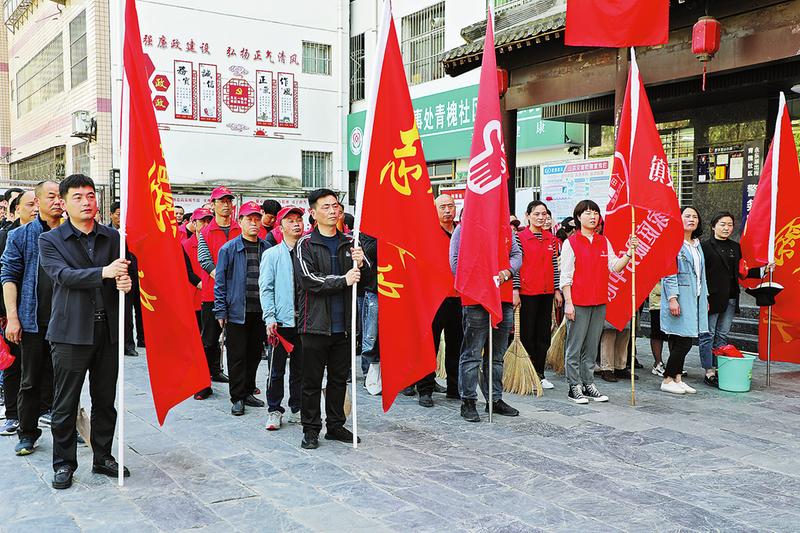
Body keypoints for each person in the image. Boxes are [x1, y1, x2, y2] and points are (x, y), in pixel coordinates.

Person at [38, 174, 132, 489]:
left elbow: (128, 274)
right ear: (63, 203)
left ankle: (103, 456)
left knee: (105, 399)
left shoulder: (114, 238)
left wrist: (126, 283)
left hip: (108, 331)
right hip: (70, 333)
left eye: (90, 195)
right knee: (65, 403)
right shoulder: (51, 240)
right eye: (77, 197)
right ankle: (64, 463)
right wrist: (104, 272)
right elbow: (63, 276)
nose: (86, 202)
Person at [293, 189, 371, 449]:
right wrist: (343, 280)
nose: (333, 210)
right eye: (326, 207)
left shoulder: (350, 242)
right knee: (312, 381)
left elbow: (366, 281)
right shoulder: (305, 244)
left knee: (339, 380)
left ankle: (336, 426)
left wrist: (362, 263)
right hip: (314, 325)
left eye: (335, 206)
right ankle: (311, 429)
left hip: (344, 327)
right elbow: (308, 279)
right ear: (313, 213)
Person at [1, 181, 62, 456]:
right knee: (29, 381)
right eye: (51, 196)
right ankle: (27, 432)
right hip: (33, 321)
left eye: (61, 196)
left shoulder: (73, 234)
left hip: (67, 322)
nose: (58, 201)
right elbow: (9, 276)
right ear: (37, 202)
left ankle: (66, 429)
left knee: (66, 382)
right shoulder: (21, 236)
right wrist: (13, 318)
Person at [560, 200, 637, 404]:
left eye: (595, 213)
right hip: (578, 302)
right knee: (574, 346)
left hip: (599, 301)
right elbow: (565, 276)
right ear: (578, 217)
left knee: (592, 346)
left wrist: (629, 252)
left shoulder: (603, 241)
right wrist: (569, 302)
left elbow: (615, 267)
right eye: (587, 213)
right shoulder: (571, 243)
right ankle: (573, 386)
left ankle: (588, 383)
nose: (593, 216)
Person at [450, 215, 522, 422]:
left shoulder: (505, 228)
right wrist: (479, 279)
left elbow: (516, 254)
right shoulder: (463, 228)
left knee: (496, 355)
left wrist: (507, 272)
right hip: (475, 298)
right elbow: (455, 262)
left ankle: (495, 399)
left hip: (502, 297)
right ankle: (468, 401)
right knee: (472, 353)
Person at [214, 202, 268, 416]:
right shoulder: (228, 249)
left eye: (257, 219)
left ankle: (248, 392)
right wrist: (220, 310)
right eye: (249, 219)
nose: (254, 223)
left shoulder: (266, 248)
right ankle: (237, 397)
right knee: (237, 356)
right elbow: (220, 282)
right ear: (240, 221)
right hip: (237, 311)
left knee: (254, 354)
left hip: (261, 311)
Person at [260, 206, 305, 429]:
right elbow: (266, 288)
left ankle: (297, 407)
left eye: (299, 220)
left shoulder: (308, 253)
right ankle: (274, 409)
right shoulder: (272, 255)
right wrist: (269, 317)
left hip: (305, 321)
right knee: (275, 370)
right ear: (280, 227)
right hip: (280, 322)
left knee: (301, 369)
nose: (296, 224)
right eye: (290, 220)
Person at [196, 186, 241, 399]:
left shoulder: (240, 229)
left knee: (238, 341)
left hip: (238, 295)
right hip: (212, 295)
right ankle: (203, 382)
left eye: (228, 201)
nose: (226, 205)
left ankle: (239, 382)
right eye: (221, 201)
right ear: (213, 205)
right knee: (209, 339)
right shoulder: (205, 232)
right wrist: (224, 280)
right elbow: (205, 261)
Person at [660, 206, 709, 395]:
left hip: (695, 297)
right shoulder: (673, 242)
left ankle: (677, 378)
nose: (692, 219)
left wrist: (704, 297)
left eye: (695, 216)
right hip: (680, 296)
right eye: (687, 216)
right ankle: (667, 378)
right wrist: (672, 298)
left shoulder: (696, 244)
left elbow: (701, 274)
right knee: (684, 341)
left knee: (680, 338)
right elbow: (669, 273)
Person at [0, 190, 37, 437]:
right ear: (16, 210)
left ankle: (45, 410)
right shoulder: (6, 236)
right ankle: (13, 414)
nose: (36, 209)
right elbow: (5, 276)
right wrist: (6, 314)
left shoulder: (49, 234)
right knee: (14, 366)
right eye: (30, 204)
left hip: (40, 313)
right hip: (11, 313)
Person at [518, 200, 561, 390]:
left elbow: (554, 266)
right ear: (527, 216)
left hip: (547, 293)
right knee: (528, 334)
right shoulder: (520, 238)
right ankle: (527, 374)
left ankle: (540, 373)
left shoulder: (551, 239)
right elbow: (516, 266)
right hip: (527, 293)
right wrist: (515, 290)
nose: (541, 217)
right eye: (536, 214)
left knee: (544, 335)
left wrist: (557, 290)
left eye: (544, 214)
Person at [699, 212, 741, 388]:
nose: (726, 228)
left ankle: (719, 368)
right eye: (722, 224)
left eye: (730, 225)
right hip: (712, 297)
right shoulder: (704, 247)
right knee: (708, 334)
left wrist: (763, 269)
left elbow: (741, 271)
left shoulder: (735, 247)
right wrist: (703, 297)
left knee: (722, 334)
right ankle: (708, 370)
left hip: (730, 297)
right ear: (713, 226)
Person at [182, 208, 213, 332]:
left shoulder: (215, 243)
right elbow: (186, 271)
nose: (206, 224)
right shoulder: (185, 245)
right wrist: (203, 285)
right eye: (202, 221)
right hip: (193, 298)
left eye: (209, 221)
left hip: (213, 297)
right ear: (194, 223)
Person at [648, 282, 667, 377]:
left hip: (676, 298)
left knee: (674, 335)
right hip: (657, 300)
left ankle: (674, 363)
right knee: (657, 333)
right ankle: (658, 363)